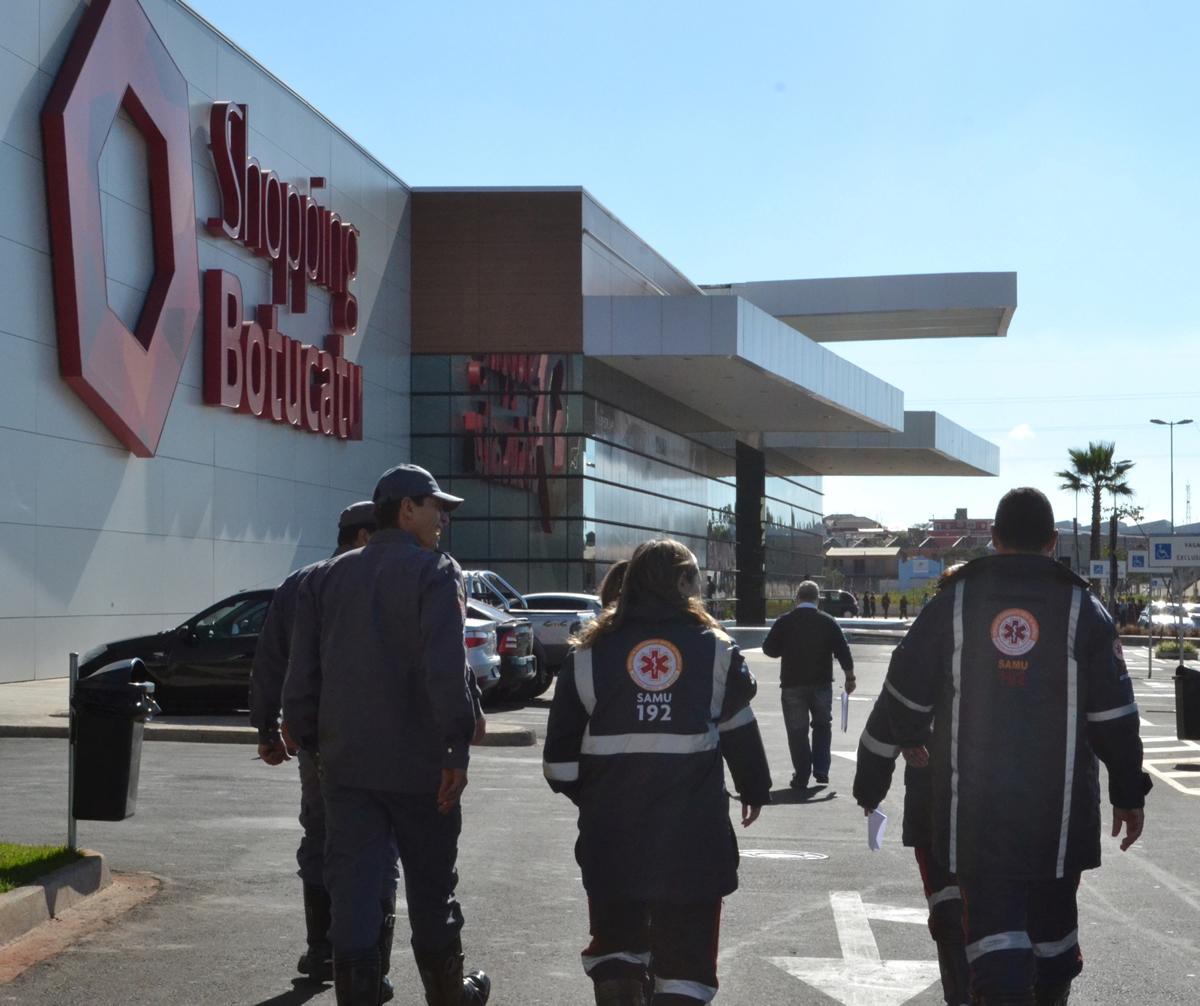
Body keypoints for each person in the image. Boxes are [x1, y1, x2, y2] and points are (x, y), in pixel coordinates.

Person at [856, 488, 1150, 1006]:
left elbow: (901, 697)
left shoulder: (954, 602)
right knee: (1053, 943)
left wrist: (871, 779)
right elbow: (1115, 717)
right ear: (1054, 541)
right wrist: (1129, 793)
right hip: (1059, 817)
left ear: (992, 538)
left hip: (977, 816)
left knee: (995, 949)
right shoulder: (1084, 608)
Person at [283, 465, 490, 1006]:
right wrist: (456, 748)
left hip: (345, 763)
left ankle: (358, 993)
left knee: (352, 884)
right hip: (420, 765)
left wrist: (312, 745)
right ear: (406, 509)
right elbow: (445, 669)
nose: (442, 518)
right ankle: (448, 993)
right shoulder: (436, 572)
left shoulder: (325, 576)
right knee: (430, 881)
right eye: (435, 506)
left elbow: (301, 673)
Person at [543, 538, 772, 1006]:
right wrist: (755, 788)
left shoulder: (586, 655)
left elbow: (559, 766)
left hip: (612, 841)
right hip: (694, 843)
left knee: (618, 949)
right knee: (686, 967)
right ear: (684, 583)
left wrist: (599, 798)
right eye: (696, 578)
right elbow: (739, 732)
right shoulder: (716, 653)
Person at [250, 502, 402, 997]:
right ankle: (369, 964)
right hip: (376, 740)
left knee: (321, 836)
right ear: (363, 535)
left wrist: (268, 728)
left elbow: (269, 660)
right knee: (378, 846)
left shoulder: (300, 582)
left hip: (316, 740)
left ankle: (323, 952)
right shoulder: (380, 579)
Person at [854, 563, 969, 1006]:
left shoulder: (926, 648)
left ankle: (961, 993)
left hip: (934, 799)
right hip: (1008, 799)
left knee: (947, 900)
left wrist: (870, 792)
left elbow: (884, 723)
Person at [761, 580, 855, 789]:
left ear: (797, 598)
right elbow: (843, 652)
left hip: (792, 684)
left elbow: (768, 648)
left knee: (797, 732)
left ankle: (801, 775)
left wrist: (784, 649)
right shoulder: (828, 621)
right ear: (817, 599)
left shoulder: (785, 621)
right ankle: (821, 769)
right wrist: (850, 678)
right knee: (822, 725)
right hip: (821, 684)